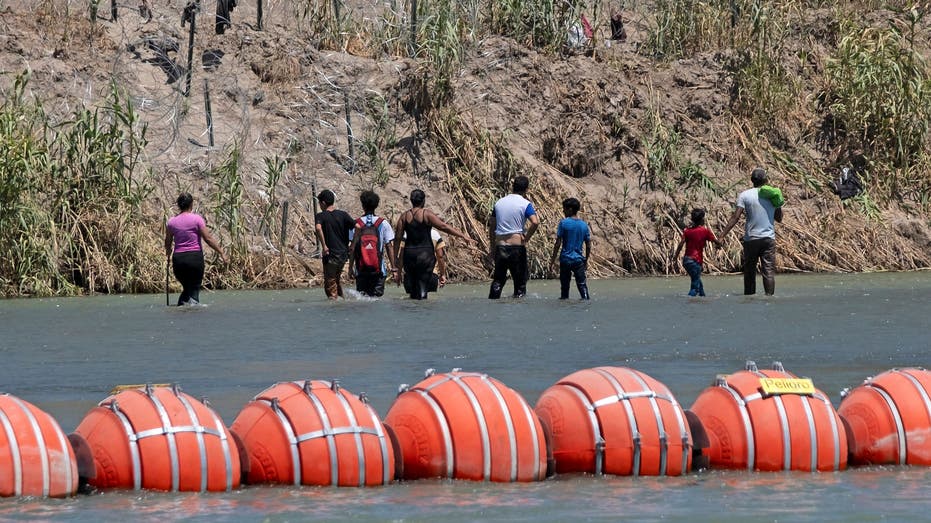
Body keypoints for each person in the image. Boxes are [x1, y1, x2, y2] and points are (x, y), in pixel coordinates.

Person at [393, 189, 471, 300]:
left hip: (409, 256)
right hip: (425, 256)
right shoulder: (426, 214)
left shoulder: (404, 217)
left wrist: (395, 259)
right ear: (423, 201)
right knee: (423, 287)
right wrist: (462, 236)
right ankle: (423, 310)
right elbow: (443, 227)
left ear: (411, 200)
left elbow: (397, 239)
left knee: (414, 290)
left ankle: (413, 311)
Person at [719, 167, 784, 295]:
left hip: (751, 239)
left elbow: (735, 217)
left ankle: (749, 298)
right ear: (765, 180)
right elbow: (779, 218)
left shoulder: (744, 195)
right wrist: (776, 204)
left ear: (752, 180)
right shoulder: (772, 194)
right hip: (768, 239)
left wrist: (722, 235)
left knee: (749, 271)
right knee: (768, 271)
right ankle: (769, 298)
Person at [164, 192, 227, 305]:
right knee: (194, 288)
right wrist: (221, 252)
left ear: (179, 205)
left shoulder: (171, 222)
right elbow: (207, 238)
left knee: (187, 288)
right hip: (194, 259)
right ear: (191, 204)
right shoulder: (197, 219)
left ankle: (182, 311)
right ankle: (193, 315)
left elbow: (168, 241)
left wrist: (168, 252)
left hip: (179, 260)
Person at [488, 176, 540, 299]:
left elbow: (492, 226)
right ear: (527, 189)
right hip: (517, 248)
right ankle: (518, 308)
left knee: (498, 280)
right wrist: (526, 238)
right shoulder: (525, 204)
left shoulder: (499, 203)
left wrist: (492, 246)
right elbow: (535, 222)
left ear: (513, 186)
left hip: (501, 246)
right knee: (520, 283)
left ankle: (492, 303)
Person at [347, 190, 396, 297]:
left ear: (362, 205)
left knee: (362, 301)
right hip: (379, 271)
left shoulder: (356, 224)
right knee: (377, 300)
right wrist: (394, 268)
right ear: (376, 205)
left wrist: (350, 269)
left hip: (361, 271)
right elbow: (389, 246)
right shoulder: (383, 223)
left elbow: (352, 249)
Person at [313, 189, 355, 299]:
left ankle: (334, 305)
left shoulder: (320, 216)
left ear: (323, 203)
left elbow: (318, 228)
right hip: (343, 255)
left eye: (320, 203)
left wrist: (324, 246)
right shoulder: (343, 215)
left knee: (330, 282)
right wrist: (353, 244)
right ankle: (342, 300)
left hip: (331, 255)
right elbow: (358, 227)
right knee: (336, 279)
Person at [548, 197, 591, 300]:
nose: (563, 211)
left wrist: (552, 260)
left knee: (565, 288)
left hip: (566, 259)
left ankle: (564, 307)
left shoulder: (564, 223)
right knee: (582, 285)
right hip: (578, 260)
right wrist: (586, 259)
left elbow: (558, 243)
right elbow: (588, 244)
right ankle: (586, 303)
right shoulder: (584, 225)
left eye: (564, 209)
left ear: (570, 209)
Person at [673, 208, 722, 297]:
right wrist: (720, 244)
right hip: (696, 261)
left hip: (687, 261)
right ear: (702, 219)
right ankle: (688, 304)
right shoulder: (705, 231)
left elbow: (680, 244)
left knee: (699, 286)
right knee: (695, 288)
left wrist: (675, 257)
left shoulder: (687, 231)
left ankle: (702, 301)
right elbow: (716, 241)